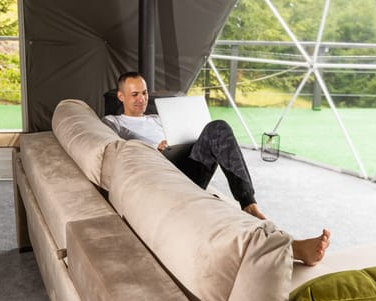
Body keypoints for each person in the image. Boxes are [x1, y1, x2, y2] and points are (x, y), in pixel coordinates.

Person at [103, 71, 330, 266]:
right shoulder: (113, 122)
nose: (142, 99)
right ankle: (293, 248)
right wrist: (154, 148)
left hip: (184, 165)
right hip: (159, 174)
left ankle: (248, 203)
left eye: (144, 93)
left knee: (218, 127)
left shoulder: (156, 118)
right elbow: (115, 150)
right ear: (121, 96)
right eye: (134, 94)